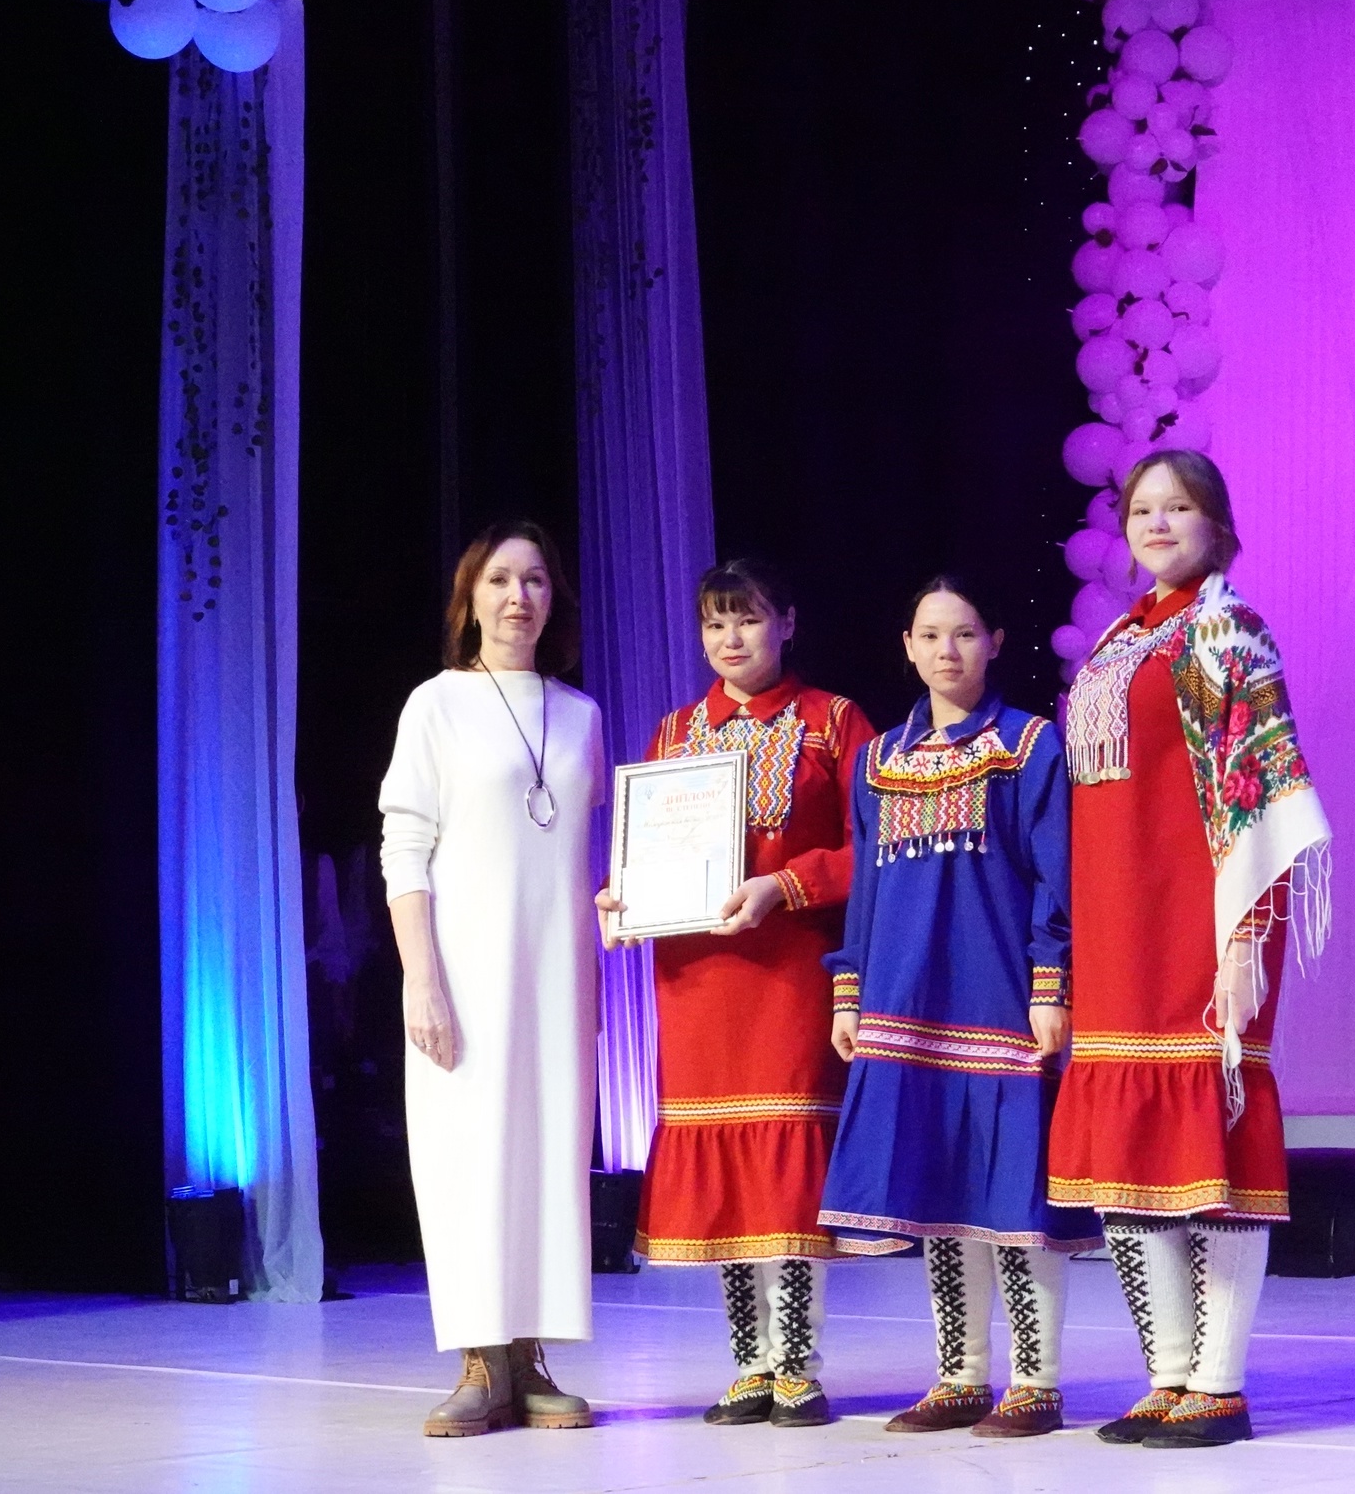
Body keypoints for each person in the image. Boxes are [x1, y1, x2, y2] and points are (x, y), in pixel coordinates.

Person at [1047, 449, 1332, 1449]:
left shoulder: (1225, 629)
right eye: (1142, 509)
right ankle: (1168, 1372)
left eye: (1179, 506)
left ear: (1217, 523)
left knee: (1209, 1142)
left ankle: (1220, 1382)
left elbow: (1260, 792)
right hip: (1118, 926)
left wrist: (1246, 935)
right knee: (1128, 1148)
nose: (1158, 522)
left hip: (1200, 919)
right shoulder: (1119, 639)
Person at [595, 560, 875, 1428]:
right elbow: (648, 851)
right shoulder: (674, 732)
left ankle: (796, 1364)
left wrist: (784, 885)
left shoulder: (833, 721)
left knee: (782, 1169)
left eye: (747, 619)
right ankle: (749, 1365)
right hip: (697, 980)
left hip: (789, 972)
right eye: (715, 624)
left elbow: (873, 845)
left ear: (786, 621)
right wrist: (624, 896)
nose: (730, 638)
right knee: (724, 1171)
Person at [818, 577, 1098, 1440]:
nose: (948, 650)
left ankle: (1036, 1381)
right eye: (931, 635)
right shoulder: (878, 760)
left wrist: (1051, 982)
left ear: (995, 641)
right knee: (937, 1186)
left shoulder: (1028, 745)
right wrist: (850, 986)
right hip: (905, 999)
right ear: (907, 645)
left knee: (1013, 1191)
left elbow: (1056, 874)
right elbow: (865, 885)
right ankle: (961, 1374)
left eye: (966, 633)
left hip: (998, 995)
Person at [379, 522, 605, 1437]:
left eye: (536, 580)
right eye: (502, 580)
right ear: (470, 598)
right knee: (468, 1157)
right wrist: (421, 978)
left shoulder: (580, 713)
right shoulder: (435, 704)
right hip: (465, 972)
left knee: (551, 1153)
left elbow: (587, 848)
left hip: (559, 975)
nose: (520, 597)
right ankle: (480, 1358)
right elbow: (405, 846)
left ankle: (531, 1356)